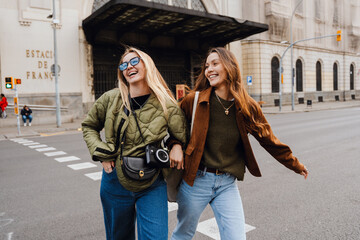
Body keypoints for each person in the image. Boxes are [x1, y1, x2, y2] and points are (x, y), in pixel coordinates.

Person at [171, 47, 308, 240]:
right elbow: (172, 126)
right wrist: (175, 144)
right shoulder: (194, 100)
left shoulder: (247, 106)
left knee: (236, 237)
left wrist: (295, 164)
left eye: (215, 63)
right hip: (196, 180)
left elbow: (269, 140)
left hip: (227, 183)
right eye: (207, 66)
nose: (209, 69)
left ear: (229, 66)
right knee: (183, 234)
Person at [82, 47, 186, 240]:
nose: (128, 66)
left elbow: (180, 133)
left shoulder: (166, 103)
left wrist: (177, 145)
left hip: (153, 181)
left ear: (147, 65)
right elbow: (89, 126)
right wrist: (102, 154)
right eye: (123, 64)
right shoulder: (110, 98)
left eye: (134, 61)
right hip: (114, 181)